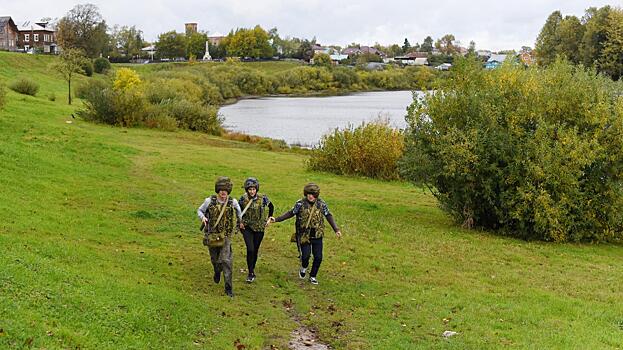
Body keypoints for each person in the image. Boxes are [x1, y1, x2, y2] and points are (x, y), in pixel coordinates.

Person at [268, 183, 341, 285]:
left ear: (317, 195)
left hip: (317, 235)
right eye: (308, 194)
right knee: (305, 256)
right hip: (304, 235)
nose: (310, 196)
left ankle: (313, 276)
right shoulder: (300, 204)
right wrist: (276, 219)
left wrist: (336, 229)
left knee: (318, 257)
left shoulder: (321, 204)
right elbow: (291, 213)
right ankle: (304, 267)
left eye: (313, 194)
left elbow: (328, 215)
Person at [197, 176, 243, 297]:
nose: (223, 193)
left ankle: (228, 287)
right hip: (212, 235)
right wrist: (203, 218)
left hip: (226, 236)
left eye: (226, 190)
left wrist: (240, 223)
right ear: (218, 190)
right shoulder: (209, 201)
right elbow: (200, 210)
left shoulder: (233, 202)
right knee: (215, 259)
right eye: (221, 190)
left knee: (226, 261)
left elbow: (239, 213)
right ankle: (217, 271)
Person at [238, 177, 274, 283]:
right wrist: (240, 222)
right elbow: (238, 210)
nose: (252, 191)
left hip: (259, 228)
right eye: (250, 189)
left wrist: (269, 218)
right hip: (247, 227)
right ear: (246, 190)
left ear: (256, 189)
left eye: (254, 189)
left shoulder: (263, 198)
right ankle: (250, 273)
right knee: (250, 249)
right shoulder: (243, 199)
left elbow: (271, 206)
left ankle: (252, 268)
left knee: (255, 249)